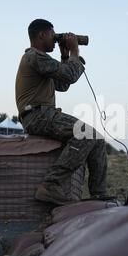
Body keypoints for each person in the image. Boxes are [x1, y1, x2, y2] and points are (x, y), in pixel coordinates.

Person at [15, 19, 108, 205]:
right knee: (86, 134)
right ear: (42, 35)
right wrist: (75, 51)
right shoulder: (34, 56)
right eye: (52, 34)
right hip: (38, 115)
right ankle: (51, 185)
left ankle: (98, 194)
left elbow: (62, 84)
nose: (54, 39)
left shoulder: (40, 60)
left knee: (97, 139)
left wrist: (65, 56)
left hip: (42, 114)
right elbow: (70, 75)